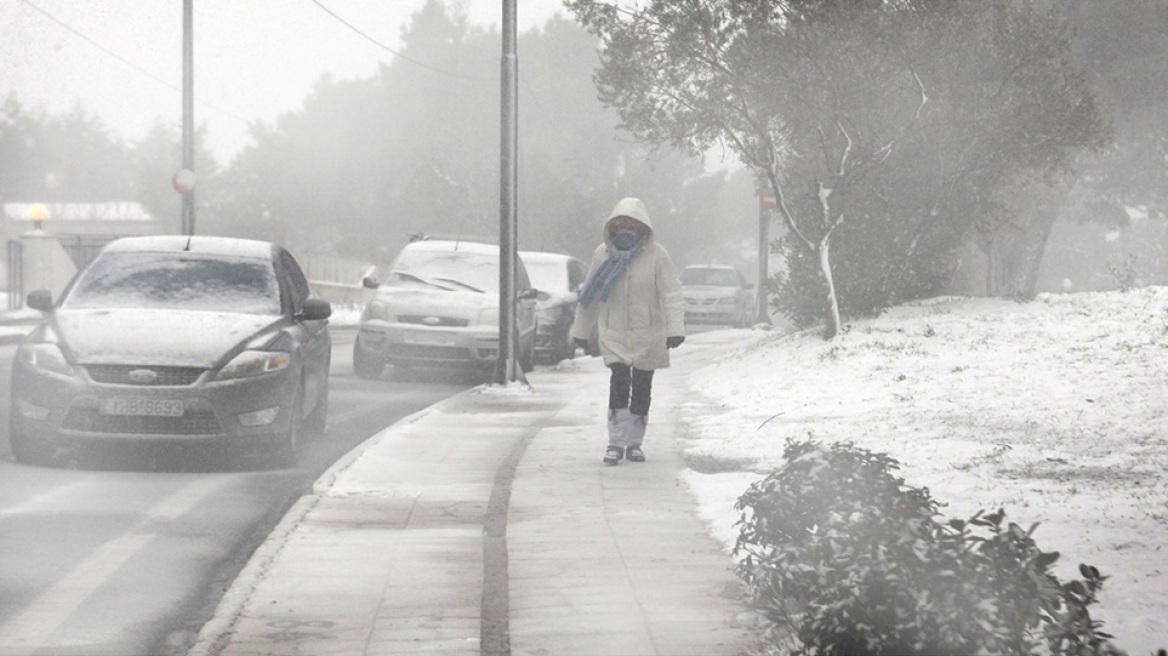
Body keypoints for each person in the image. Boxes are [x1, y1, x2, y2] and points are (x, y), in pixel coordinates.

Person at [570, 198, 685, 465]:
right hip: (614, 330)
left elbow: (671, 293)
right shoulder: (603, 254)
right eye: (620, 222)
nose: (625, 227)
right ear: (612, 225)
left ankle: (635, 442)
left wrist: (675, 329)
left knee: (643, 386)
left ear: (642, 226)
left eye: (631, 223)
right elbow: (591, 294)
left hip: (649, 332)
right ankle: (616, 441)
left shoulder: (657, 255)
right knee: (619, 381)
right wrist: (581, 331)